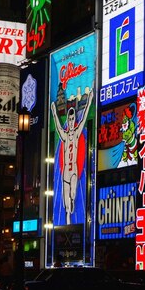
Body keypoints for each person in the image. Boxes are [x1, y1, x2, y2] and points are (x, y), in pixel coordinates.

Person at [50, 88, 94, 225]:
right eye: (69, 119)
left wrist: (90, 100)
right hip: (65, 173)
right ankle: (68, 218)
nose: (70, 121)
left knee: (73, 195)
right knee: (66, 203)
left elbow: (85, 117)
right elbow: (57, 126)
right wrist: (53, 112)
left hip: (74, 170)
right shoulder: (64, 135)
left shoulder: (75, 133)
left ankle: (74, 200)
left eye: (72, 119)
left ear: (74, 119)